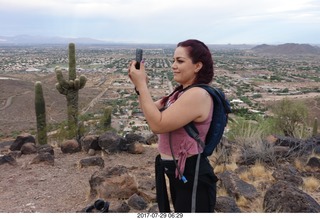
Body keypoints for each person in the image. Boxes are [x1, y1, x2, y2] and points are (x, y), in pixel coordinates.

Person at [128, 39, 218, 212]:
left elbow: (157, 125)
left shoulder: (198, 94)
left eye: (180, 61)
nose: (173, 66)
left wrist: (142, 85)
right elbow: (149, 111)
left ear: (197, 66)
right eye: (173, 60)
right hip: (178, 173)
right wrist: (140, 86)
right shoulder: (179, 93)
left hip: (192, 176)